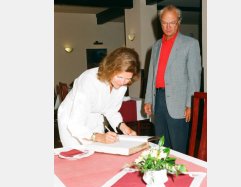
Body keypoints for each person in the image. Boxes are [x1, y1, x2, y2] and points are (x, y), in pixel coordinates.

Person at [144, 5, 202, 154]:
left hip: (179, 103)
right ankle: (163, 175)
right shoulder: (156, 46)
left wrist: (190, 104)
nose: (168, 27)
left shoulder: (190, 44)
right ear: (160, 22)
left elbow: (194, 77)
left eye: (172, 22)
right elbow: (151, 74)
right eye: (164, 22)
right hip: (159, 101)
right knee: (161, 146)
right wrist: (148, 100)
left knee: (179, 147)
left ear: (179, 22)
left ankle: (180, 176)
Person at [58, 47, 140, 147]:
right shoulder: (89, 81)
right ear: (110, 69)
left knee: (97, 154)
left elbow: (111, 111)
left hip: (94, 119)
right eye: (119, 77)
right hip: (71, 119)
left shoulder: (122, 85)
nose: (123, 82)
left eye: (128, 79)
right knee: (76, 156)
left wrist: (124, 127)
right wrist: (99, 137)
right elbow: (75, 124)